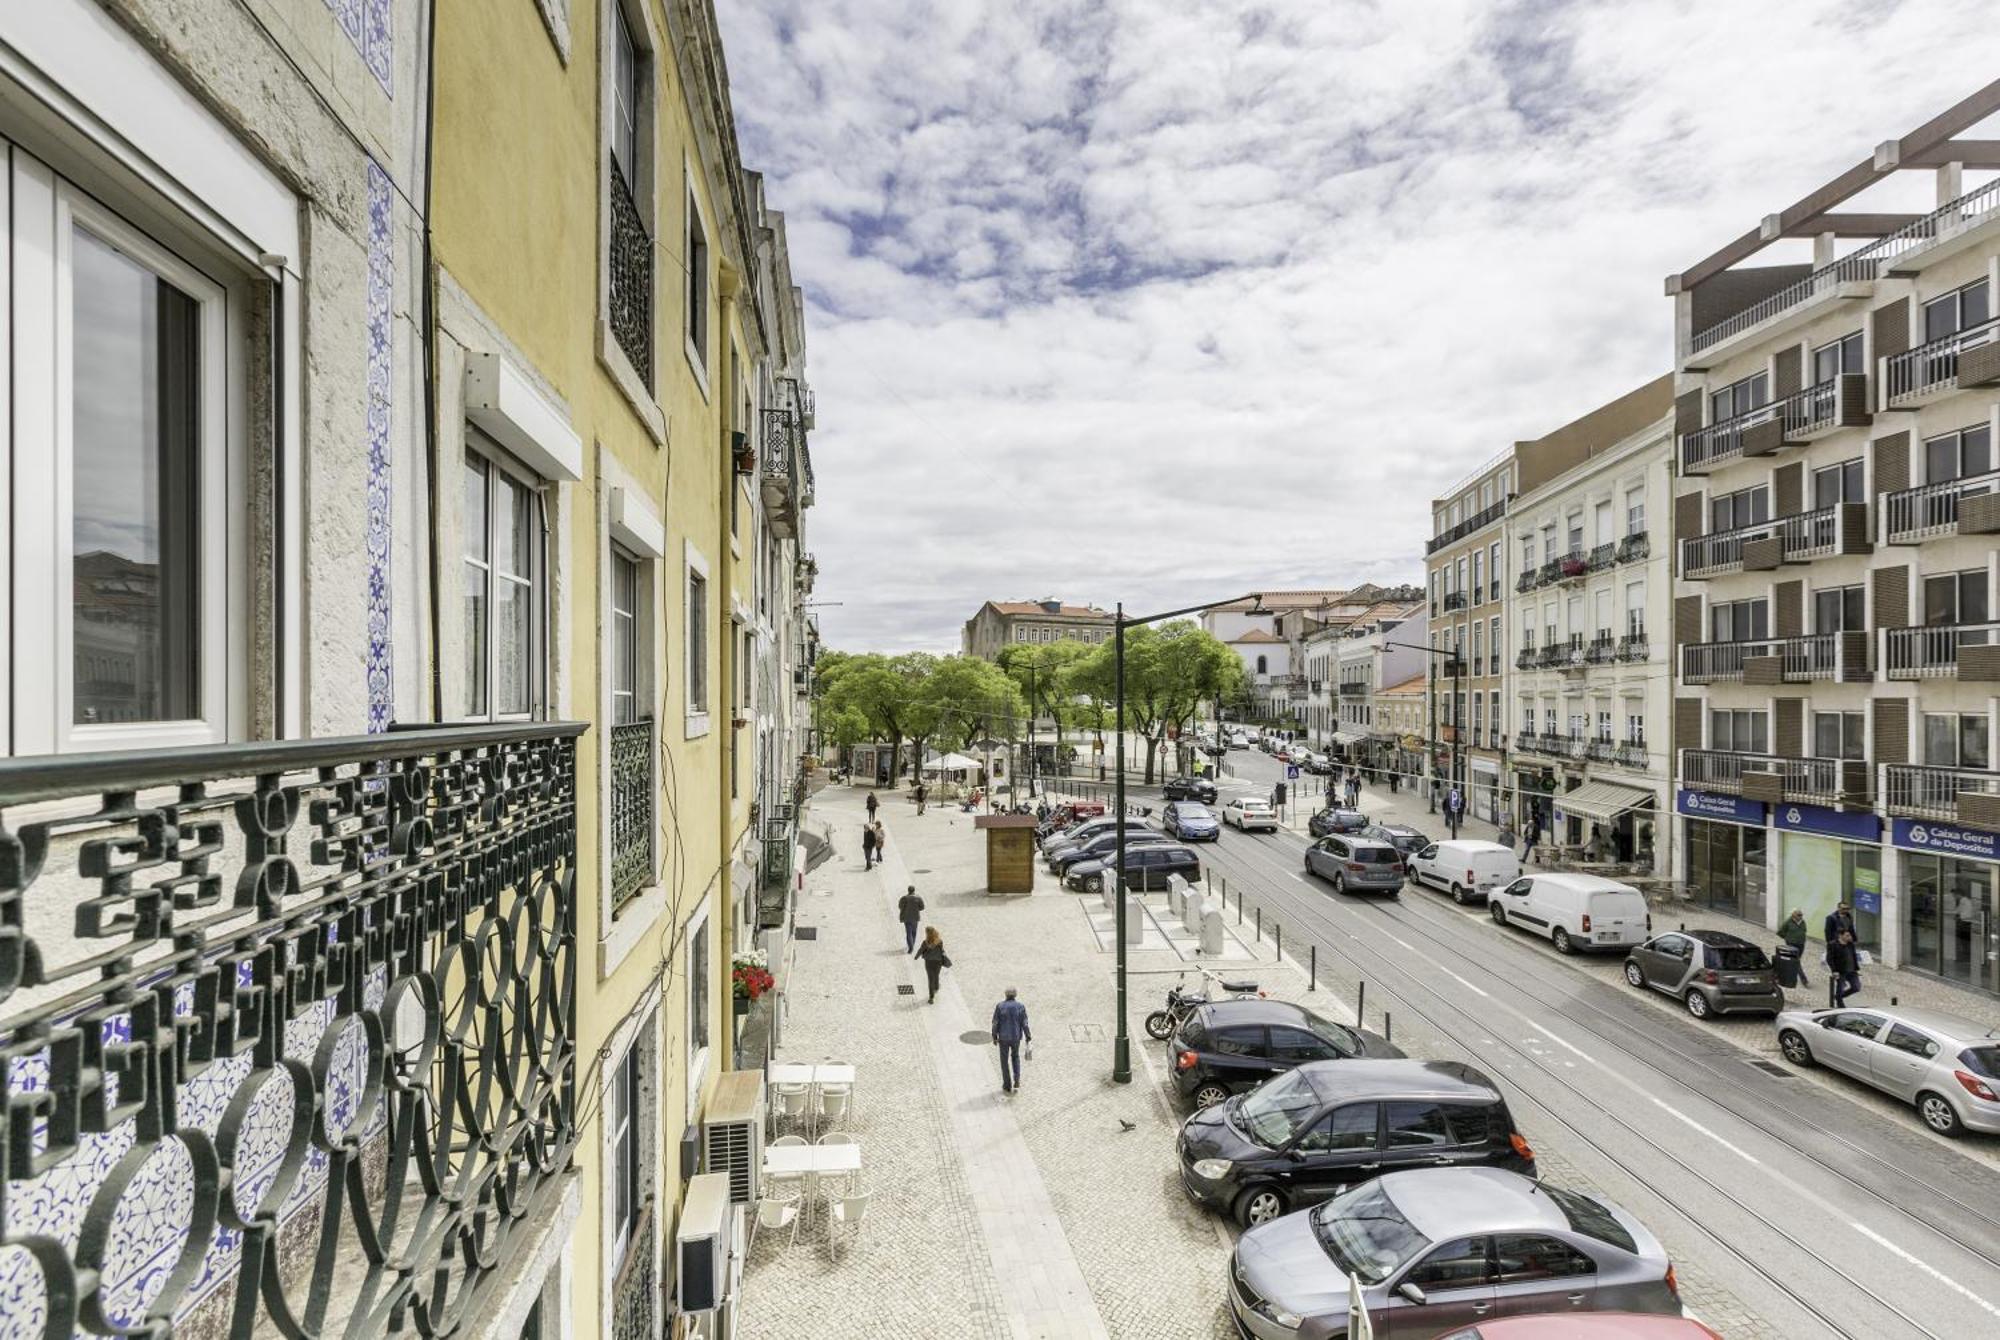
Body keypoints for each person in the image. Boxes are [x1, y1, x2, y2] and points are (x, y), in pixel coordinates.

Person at [992, 987, 1031, 1094]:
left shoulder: (1000, 1006)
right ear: (1015, 995)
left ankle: (1007, 1085)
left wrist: (994, 1036)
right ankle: (1017, 1079)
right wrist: (1028, 1035)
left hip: (1003, 1038)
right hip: (1016, 1037)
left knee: (1004, 1061)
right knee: (1015, 1057)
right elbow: (1025, 1023)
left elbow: (995, 1023)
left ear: (1005, 995)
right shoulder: (1020, 1006)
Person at [915, 926, 952, 1003]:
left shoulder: (925, 943)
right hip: (938, 961)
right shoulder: (939, 941)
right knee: (936, 974)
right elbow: (941, 950)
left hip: (929, 962)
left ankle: (931, 997)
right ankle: (936, 986)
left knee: (930, 978)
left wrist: (916, 956)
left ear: (927, 934)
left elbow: (921, 950)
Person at [1779, 909, 1811, 988]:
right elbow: (1780, 932)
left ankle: (1790, 973)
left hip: (1801, 944)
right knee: (1796, 961)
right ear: (1793, 915)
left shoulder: (1803, 922)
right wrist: (1788, 939)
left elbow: (1804, 930)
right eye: (1799, 915)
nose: (1801, 916)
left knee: (1796, 961)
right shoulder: (1788, 922)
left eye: (1801, 915)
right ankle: (1804, 979)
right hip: (1791, 944)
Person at [898, 885, 926, 954]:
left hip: (906, 917)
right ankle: (912, 944)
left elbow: (900, 906)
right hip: (915, 917)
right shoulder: (918, 898)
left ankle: (910, 947)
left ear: (908, 890)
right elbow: (922, 907)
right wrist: (916, 909)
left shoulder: (904, 898)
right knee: (914, 932)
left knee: (908, 932)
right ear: (914, 890)